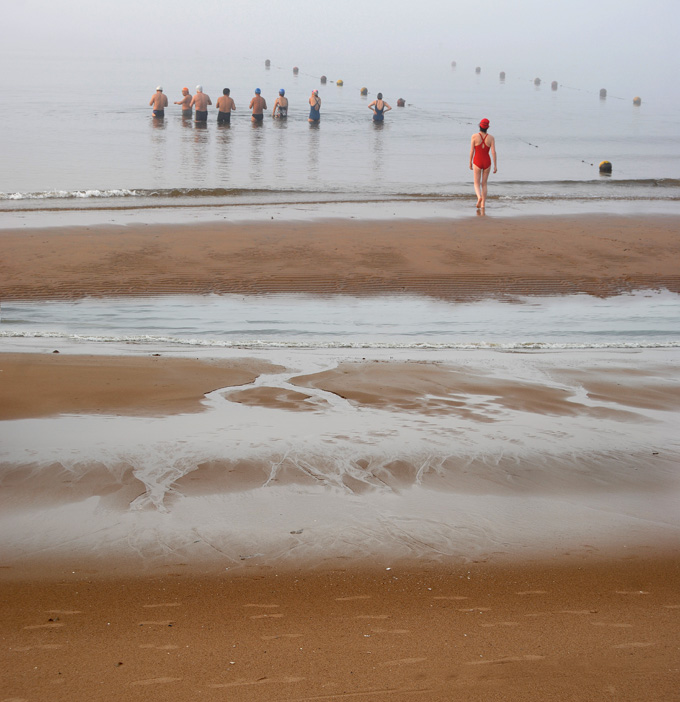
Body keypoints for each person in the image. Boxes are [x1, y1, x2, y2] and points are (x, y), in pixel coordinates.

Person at [469, 118, 497, 209]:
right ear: (487, 127)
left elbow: (472, 150)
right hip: (487, 162)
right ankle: (483, 204)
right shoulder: (491, 138)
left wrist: (470, 162)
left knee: (476, 183)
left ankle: (479, 197)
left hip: (477, 161)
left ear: (479, 125)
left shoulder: (474, 136)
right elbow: (493, 152)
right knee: (484, 184)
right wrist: (495, 165)